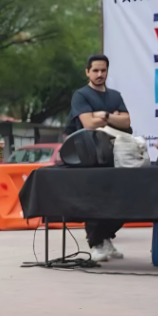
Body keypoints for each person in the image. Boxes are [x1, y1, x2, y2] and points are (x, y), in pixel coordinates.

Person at [64, 54, 131, 262]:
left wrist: (104, 115)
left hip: (112, 154)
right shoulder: (81, 95)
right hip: (87, 156)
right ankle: (95, 244)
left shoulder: (115, 96)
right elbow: (88, 124)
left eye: (103, 70)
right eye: (95, 70)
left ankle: (106, 238)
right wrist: (111, 118)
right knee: (94, 199)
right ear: (87, 72)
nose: (99, 74)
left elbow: (127, 122)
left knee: (119, 198)